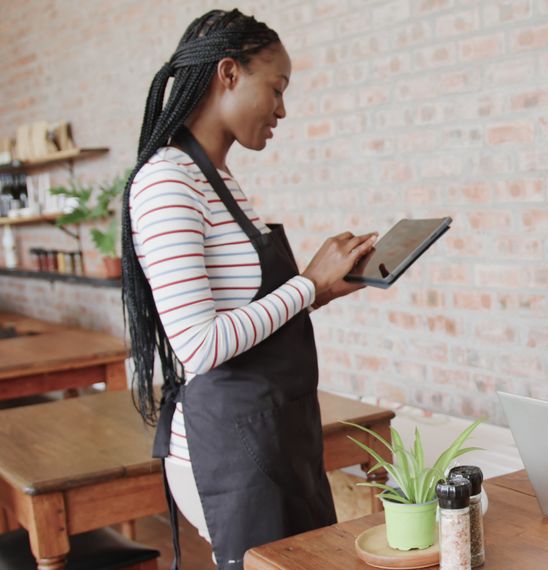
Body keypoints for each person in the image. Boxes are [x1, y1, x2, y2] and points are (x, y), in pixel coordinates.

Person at [120, 9, 377, 568]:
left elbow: (249, 308)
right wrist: (307, 285)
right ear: (229, 74)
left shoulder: (220, 179)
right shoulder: (167, 181)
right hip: (230, 453)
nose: (283, 109)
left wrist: (324, 289)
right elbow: (197, 345)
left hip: (276, 432)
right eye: (277, 88)